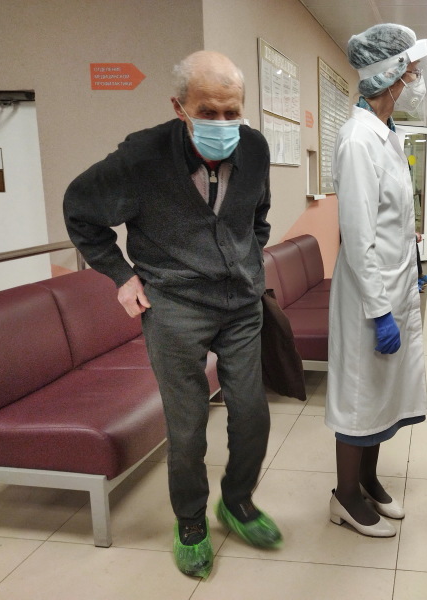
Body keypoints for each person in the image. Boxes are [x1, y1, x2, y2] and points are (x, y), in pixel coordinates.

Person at [63, 50, 282, 579]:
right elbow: (80, 211)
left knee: (252, 413)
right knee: (187, 428)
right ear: (179, 107)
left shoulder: (254, 148)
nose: (223, 124)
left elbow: (258, 215)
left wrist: (248, 259)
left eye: (233, 112)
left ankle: (237, 501)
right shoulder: (141, 158)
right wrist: (122, 276)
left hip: (240, 303)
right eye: (209, 112)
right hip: (175, 304)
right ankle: (190, 521)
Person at [326, 23, 427, 537]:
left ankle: (367, 480)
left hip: (394, 287)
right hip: (371, 297)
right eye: (411, 73)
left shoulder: (386, 135)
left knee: (383, 392)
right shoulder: (357, 141)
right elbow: (358, 235)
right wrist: (380, 309)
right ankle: (344, 497)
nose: (415, 82)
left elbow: (387, 220)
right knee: (360, 395)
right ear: (390, 76)